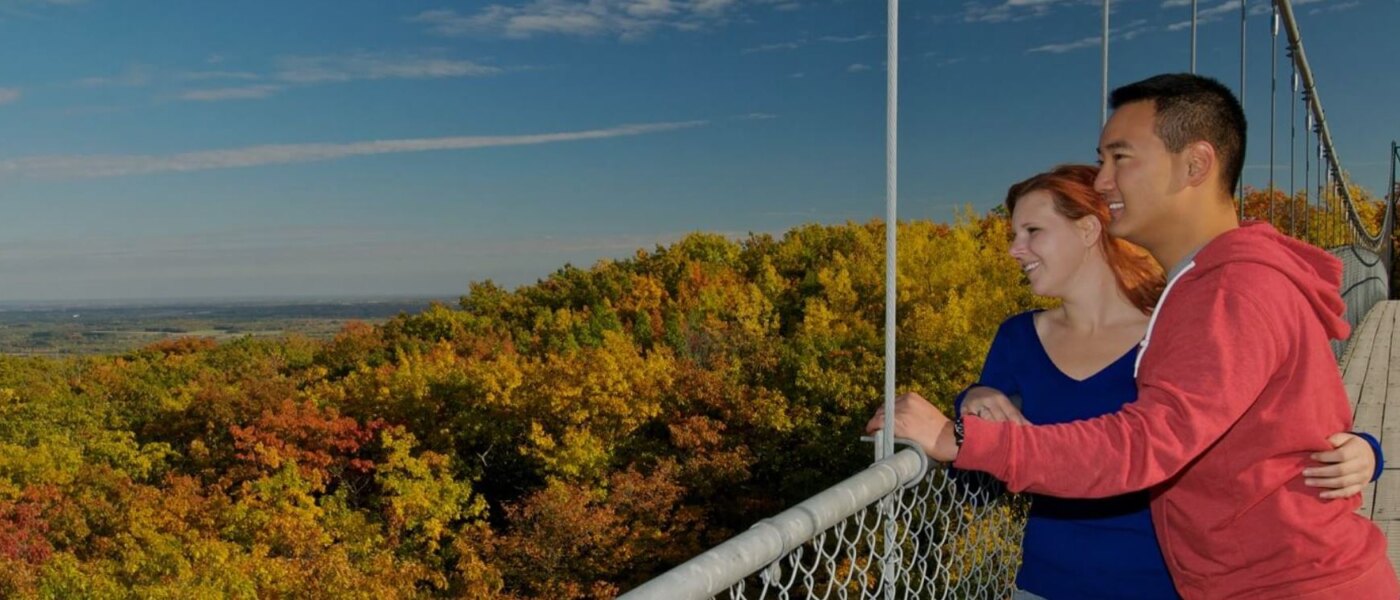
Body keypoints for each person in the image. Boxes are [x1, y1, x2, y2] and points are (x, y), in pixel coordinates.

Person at [869, 73, 1399, 599]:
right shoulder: (1210, 287)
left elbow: (1146, 443)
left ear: (1195, 165)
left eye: (1120, 158)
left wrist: (955, 438)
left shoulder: (1231, 290)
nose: (1101, 181)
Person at [955, 164, 1382, 600]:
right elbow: (976, 474)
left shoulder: (1182, 323)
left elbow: (1275, 423)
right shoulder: (1016, 339)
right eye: (1014, 235)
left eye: (1031, 231)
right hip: (1045, 584)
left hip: (1172, 584)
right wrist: (971, 398)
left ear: (1087, 230)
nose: (1014, 249)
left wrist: (1365, 449)